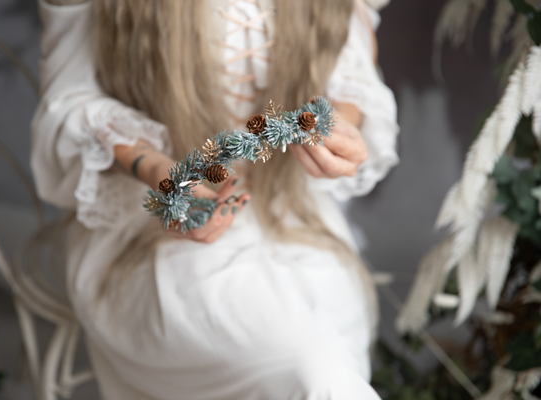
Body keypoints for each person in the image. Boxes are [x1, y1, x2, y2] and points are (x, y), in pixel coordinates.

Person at [31, 0, 399, 398]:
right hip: (147, 228)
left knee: (325, 352)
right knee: (310, 366)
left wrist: (337, 128)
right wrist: (159, 172)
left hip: (292, 216)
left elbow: (352, 77)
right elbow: (71, 103)